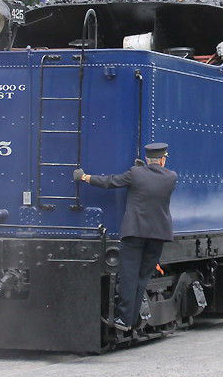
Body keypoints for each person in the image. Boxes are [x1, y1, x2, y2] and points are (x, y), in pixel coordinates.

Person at [74, 142, 177, 332]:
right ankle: (130, 319)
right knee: (142, 278)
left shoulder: (135, 174)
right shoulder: (171, 177)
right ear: (163, 159)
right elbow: (153, 181)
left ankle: (126, 319)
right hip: (158, 235)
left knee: (129, 276)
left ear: (147, 159)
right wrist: (142, 171)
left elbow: (110, 182)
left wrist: (84, 177)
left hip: (135, 233)